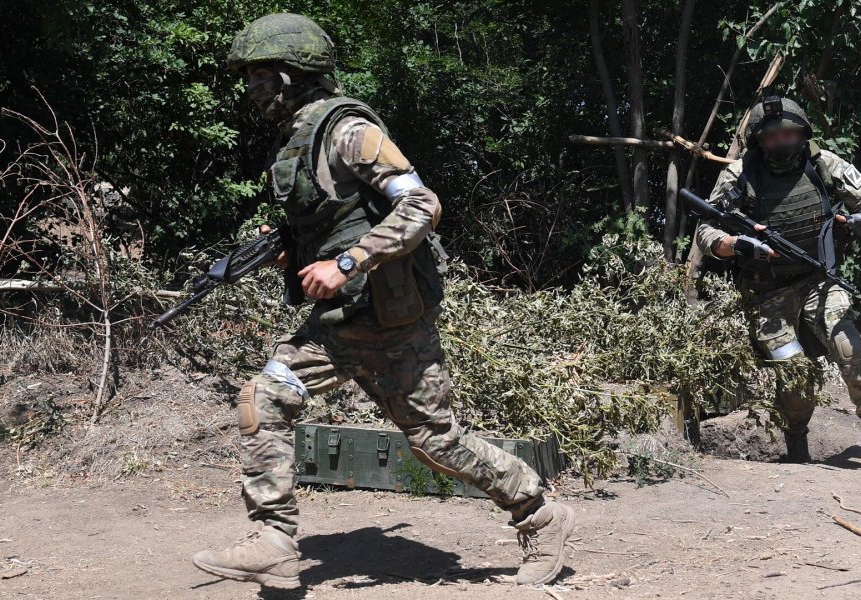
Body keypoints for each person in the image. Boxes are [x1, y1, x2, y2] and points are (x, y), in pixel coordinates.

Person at [191, 13, 576, 589]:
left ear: (293, 77)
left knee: (436, 443)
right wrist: (298, 254)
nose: (251, 88)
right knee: (261, 399)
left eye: (260, 75)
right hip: (339, 327)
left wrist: (347, 262)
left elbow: (421, 205)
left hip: (394, 321)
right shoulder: (296, 139)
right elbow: (338, 218)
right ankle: (274, 539)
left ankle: (540, 514)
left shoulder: (347, 130)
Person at [695, 96, 861, 475]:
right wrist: (735, 244)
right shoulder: (740, 174)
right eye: (773, 137)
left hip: (819, 281)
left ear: (802, 132)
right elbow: (705, 228)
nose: (783, 143)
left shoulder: (823, 163)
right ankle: (797, 440)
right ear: (759, 141)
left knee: (848, 346)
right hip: (769, 293)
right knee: (795, 371)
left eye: (790, 134)